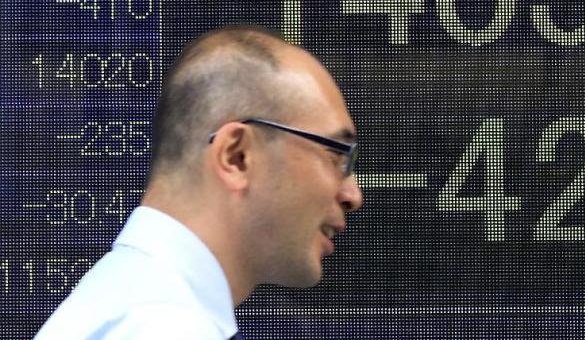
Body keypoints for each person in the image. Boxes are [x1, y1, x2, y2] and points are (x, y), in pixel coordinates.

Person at [35, 26, 365, 339]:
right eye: (336, 155)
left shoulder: (141, 304)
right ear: (237, 156)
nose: (353, 195)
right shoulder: (167, 326)